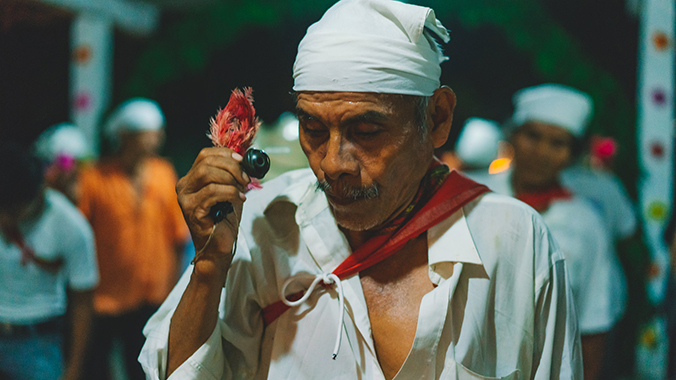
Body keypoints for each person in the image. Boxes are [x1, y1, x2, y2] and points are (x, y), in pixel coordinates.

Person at [140, 1, 582, 379]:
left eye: (367, 130)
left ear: (438, 119)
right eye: (312, 129)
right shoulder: (262, 226)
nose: (333, 163)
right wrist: (209, 269)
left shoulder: (514, 241)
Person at [467, 84, 625, 380]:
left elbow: (593, 322)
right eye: (533, 136)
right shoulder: (470, 197)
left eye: (557, 143)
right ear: (512, 135)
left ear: (571, 154)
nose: (541, 152)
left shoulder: (586, 223)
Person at [78, 98, 189, 380]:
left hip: (151, 296)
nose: (157, 139)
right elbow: (80, 238)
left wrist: (175, 289)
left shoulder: (164, 173)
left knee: (143, 369)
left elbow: (179, 236)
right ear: (126, 137)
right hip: (104, 297)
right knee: (97, 369)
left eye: (158, 132)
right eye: (149, 133)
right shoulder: (95, 178)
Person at [0, 141, 98, 380]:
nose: (5, 219)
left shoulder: (71, 227)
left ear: (39, 191)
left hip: (38, 344)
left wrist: (74, 367)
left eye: (14, 212)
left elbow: (83, 301)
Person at [34, 122, 93, 204]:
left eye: (82, 163)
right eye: (65, 162)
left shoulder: (94, 188)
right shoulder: (47, 196)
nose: (74, 169)